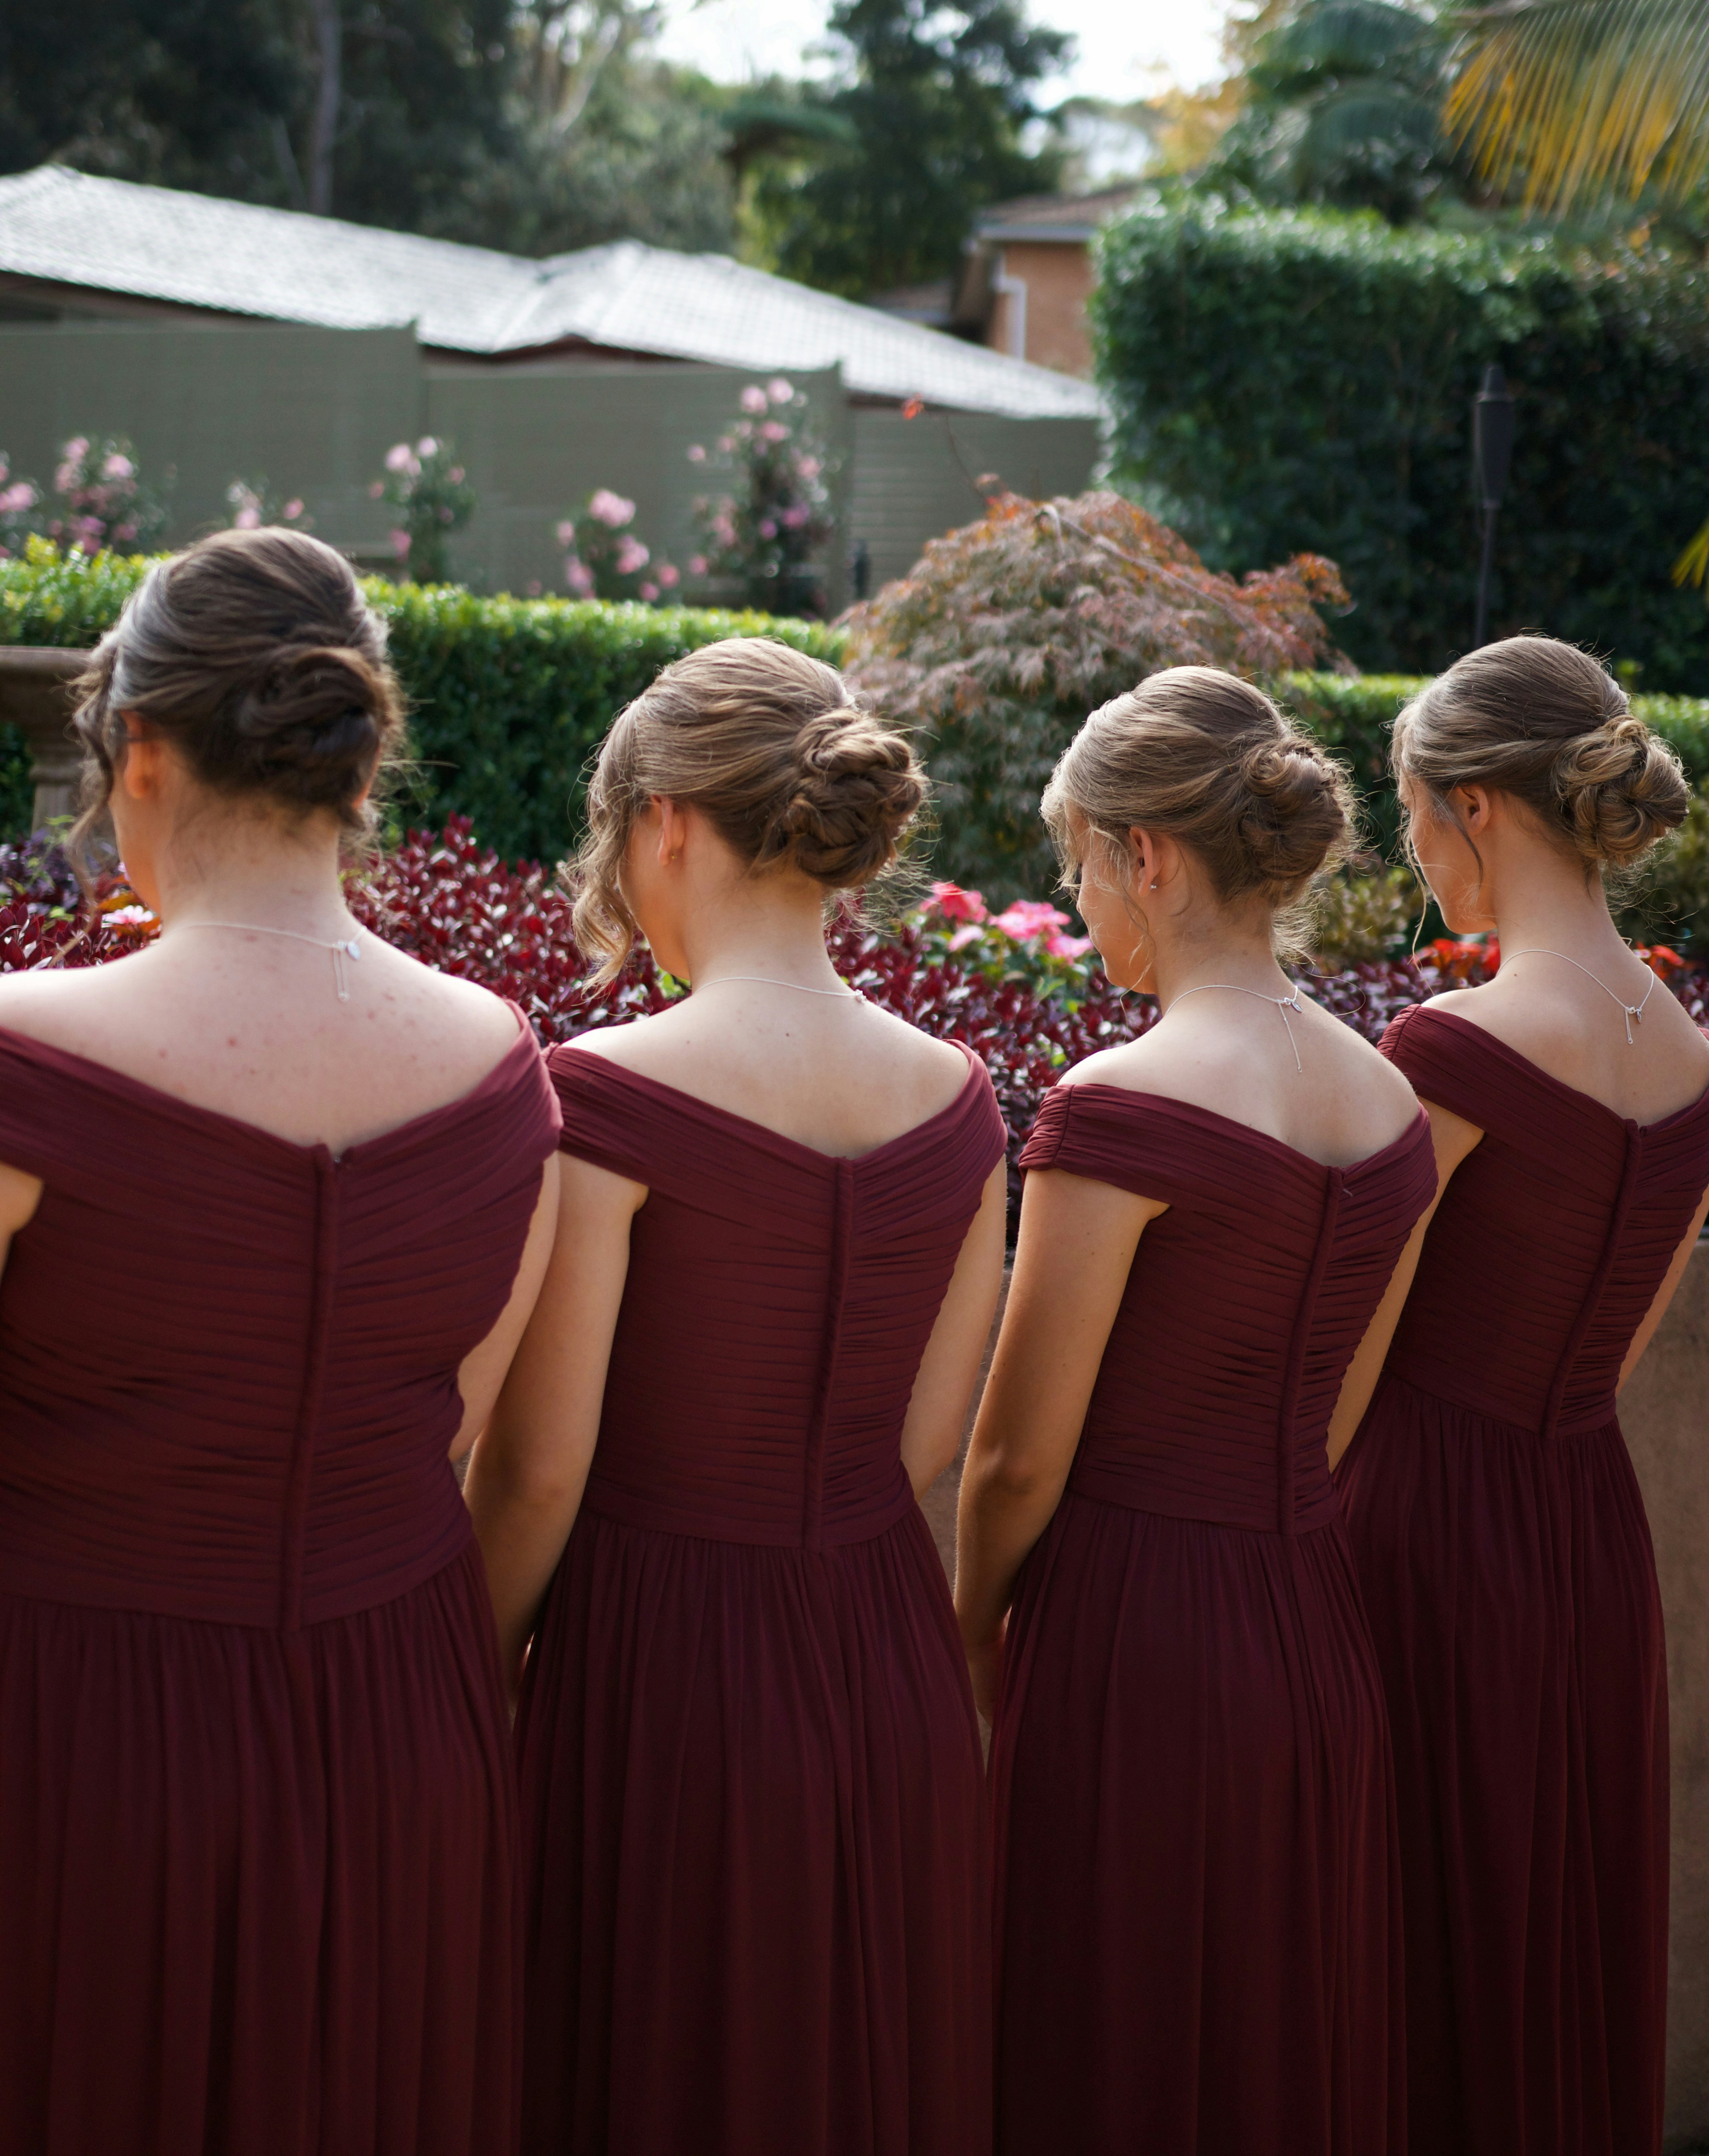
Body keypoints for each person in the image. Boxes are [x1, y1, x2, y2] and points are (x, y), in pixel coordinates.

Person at [0, 530, 561, 2156]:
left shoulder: (28, 1051)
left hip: (75, 1739)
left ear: (146, 754)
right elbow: (461, 1427)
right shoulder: (498, 1067)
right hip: (404, 1737)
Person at [465, 637, 1008, 2156]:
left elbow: (536, 1479)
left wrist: (463, 1670)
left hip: (659, 1675)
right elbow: (926, 1445)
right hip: (882, 1652)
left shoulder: (610, 1098)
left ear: (669, 825)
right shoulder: (963, 1103)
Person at [957, 665, 1438, 2156]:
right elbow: (1346, 1409)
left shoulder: (1119, 1108)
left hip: (1130, 1641)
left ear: (1149, 856)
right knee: (1267, 2047)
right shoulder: (1390, 1107)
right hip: (1310, 1625)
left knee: (1110, 2045)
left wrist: (970, 1642)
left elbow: (1019, 1452)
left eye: (1079, 862)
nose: (1079, 896)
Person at [1336, 637, 1709, 2156]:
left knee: (1425, 1937)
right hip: (1584, 1524)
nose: (1417, 854)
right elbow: (1623, 1347)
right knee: (1553, 1925)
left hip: (1419, 1523)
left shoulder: (1453, 1048)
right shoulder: (1688, 1053)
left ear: (1480, 806)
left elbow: (1339, 1344)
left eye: (1417, 814)